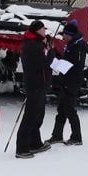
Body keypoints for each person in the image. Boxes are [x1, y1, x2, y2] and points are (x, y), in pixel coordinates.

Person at [16, 20, 56, 159]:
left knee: (38, 115)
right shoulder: (32, 45)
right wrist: (50, 51)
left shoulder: (36, 43)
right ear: (37, 31)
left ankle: (35, 143)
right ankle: (22, 148)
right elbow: (44, 62)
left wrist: (46, 44)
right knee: (30, 116)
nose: (45, 31)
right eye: (43, 29)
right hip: (34, 84)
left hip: (40, 84)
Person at [47, 21, 88, 146]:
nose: (62, 37)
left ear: (70, 35)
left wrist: (51, 54)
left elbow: (66, 66)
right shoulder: (72, 44)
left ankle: (76, 137)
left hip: (71, 81)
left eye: (64, 35)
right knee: (62, 109)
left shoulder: (76, 47)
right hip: (67, 80)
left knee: (70, 110)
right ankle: (57, 135)